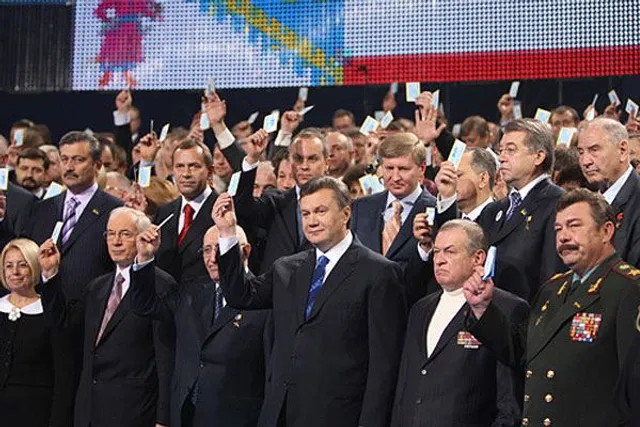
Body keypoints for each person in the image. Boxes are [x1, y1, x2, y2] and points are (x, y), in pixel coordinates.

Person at [215, 177, 407, 427]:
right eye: (305, 213)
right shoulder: (287, 268)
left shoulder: (379, 272)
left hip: (339, 416)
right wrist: (227, 232)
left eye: (320, 211)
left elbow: (384, 363)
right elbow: (240, 295)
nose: (312, 221)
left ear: (346, 214)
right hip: (279, 412)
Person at [464, 189, 640, 427]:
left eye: (574, 226)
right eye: (558, 229)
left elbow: (634, 388)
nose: (563, 236)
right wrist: (483, 308)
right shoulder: (551, 289)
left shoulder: (629, 289)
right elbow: (523, 352)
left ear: (606, 231)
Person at [38, 207, 176, 427]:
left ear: (144, 238)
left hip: (135, 412)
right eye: (111, 234)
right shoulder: (96, 287)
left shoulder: (160, 285)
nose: (116, 241)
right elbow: (63, 324)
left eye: (125, 234)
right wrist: (49, 274)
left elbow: (165, 357)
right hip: (90, 411)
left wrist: (163, 418)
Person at [130, 222, 270, 427]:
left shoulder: (263, 300)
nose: (212, 259)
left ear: (245, 252)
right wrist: (144, 258)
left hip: (235, 419)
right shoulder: (190, 292)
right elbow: (144, 305)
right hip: (185, 415)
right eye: (206, 250)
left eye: (220, 249)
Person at [392, 220, 527, 427]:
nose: (439, 260)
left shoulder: (506, 308)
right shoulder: (420, 309)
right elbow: (405, 388)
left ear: (478, 258)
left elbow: (509, 403)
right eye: (436, 252)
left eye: (450, 252)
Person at [444, 119, 565, 301]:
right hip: (486, 311)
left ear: (538, 157)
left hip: (529, 313)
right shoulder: (494, 210)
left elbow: (553, 278)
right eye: (501, 150)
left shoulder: (557, 203)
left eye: (511, 150)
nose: (501, 158)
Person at [29, 131, 123, 300]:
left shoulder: (115, 210)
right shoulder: (41, 209)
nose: (69, 167)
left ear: (97, 165)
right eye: (64, 159)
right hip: (45, 306)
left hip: (93, 307)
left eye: (78, 160)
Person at [351, 132, 437, 305]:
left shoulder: (437, 210)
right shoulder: (362, 207)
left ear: (421, 169)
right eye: (389, 168)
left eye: (403, 169)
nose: (395, 177)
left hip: (413, 308)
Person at [0, 238, 74, 427]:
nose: (15, 272)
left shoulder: (51, 311)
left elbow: (63, 374)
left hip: (35, 413)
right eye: (9, 266)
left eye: (22, 265)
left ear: (34, 266)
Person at [234, 128, 328, 273]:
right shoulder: (275, 202)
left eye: (312, 159)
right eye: (298, 159)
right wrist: (252, 159)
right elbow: (243, 209)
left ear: (326, 163)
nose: (304, 166)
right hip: (276, 285)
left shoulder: (340, 205)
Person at [577, 117, 640, 267]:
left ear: (622, 150)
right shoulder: (583, 203)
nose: (585, 161)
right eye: (581, 152)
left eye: (594, 150)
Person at [154, 139, 216, 285]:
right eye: (180, 166)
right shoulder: (164, 212)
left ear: (210, 171)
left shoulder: (222, 211)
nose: (186, 174)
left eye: (194, 166)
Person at [433, 148, 497, 223]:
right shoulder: (441, 218)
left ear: (483, 179)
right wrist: (446, 197)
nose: (450, 181)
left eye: (458, 175)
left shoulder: (500, 221)